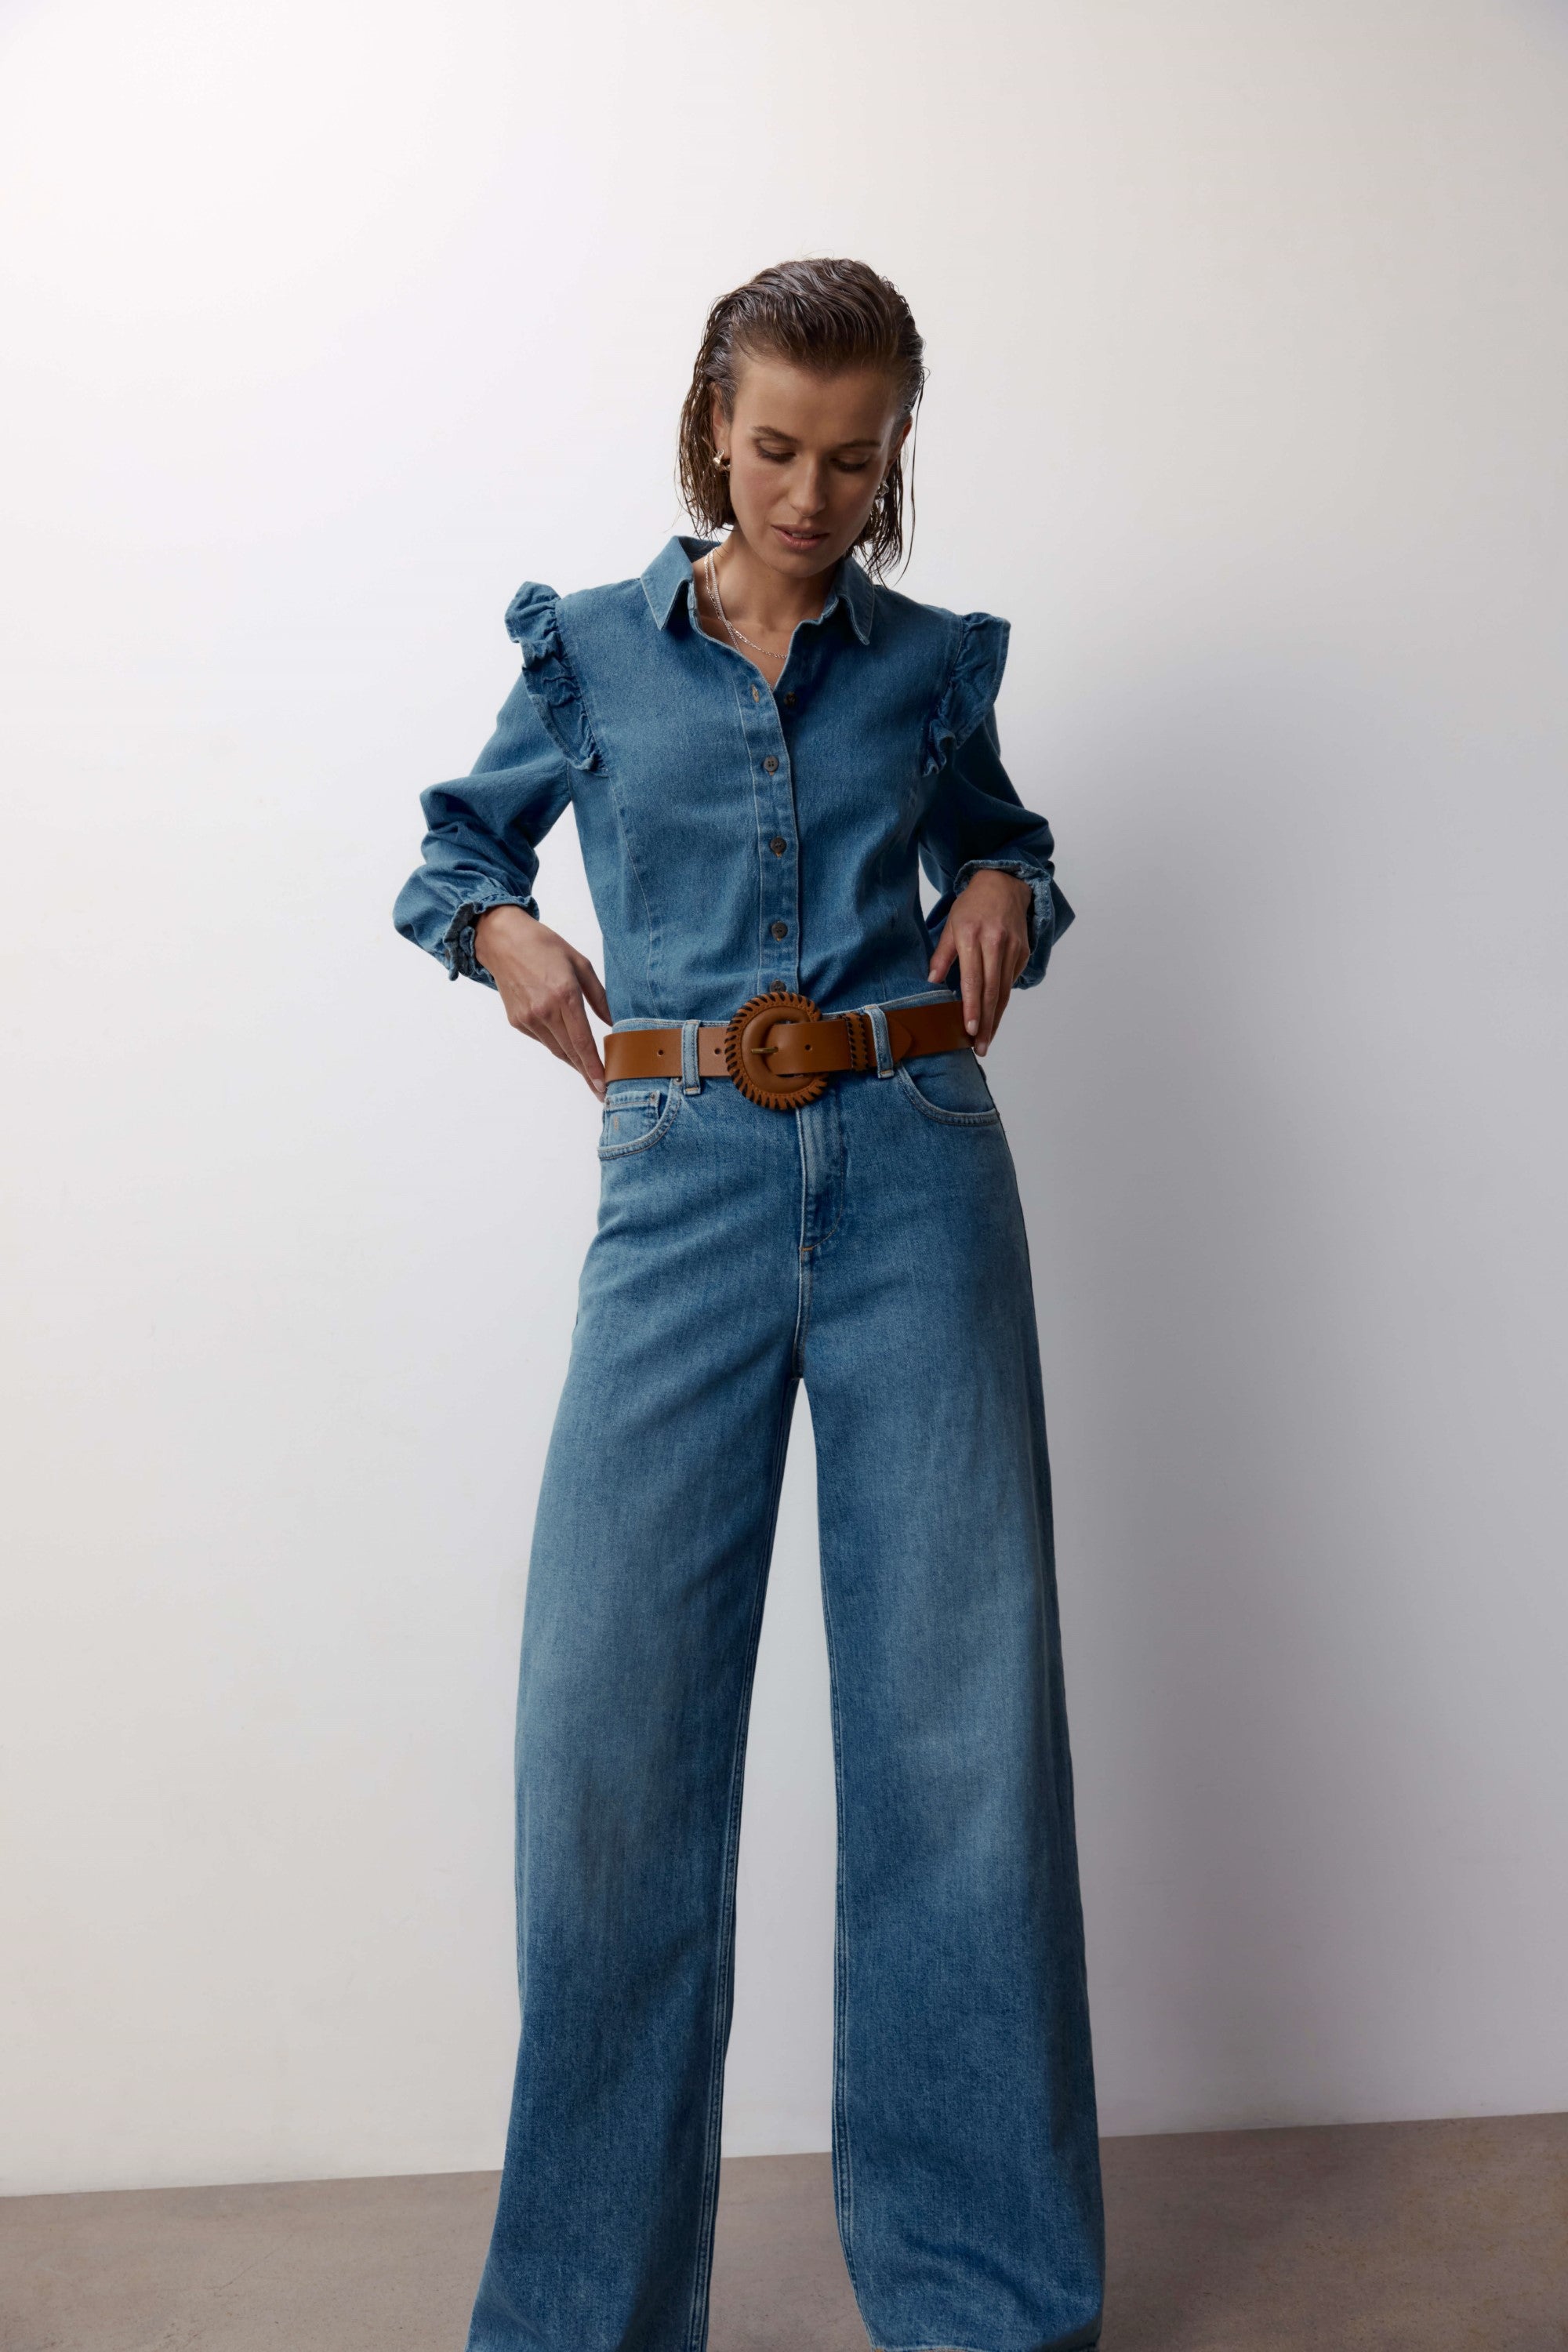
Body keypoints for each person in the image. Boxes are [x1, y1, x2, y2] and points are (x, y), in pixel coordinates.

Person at [393, 256, 1104, 2352]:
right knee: (608, 1741)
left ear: (897, 450)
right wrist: (509, 939)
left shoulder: (935, 664)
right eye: (777, 442)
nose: (809, 489)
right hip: (679, 1181)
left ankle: (987, 2303)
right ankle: (583, 2319)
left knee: (957, 1744)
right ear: (715, 418)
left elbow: (1010, 854)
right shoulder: (593, 652)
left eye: (854, 453)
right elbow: (453, 852)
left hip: (915, 1174)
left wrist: (1003, 888)